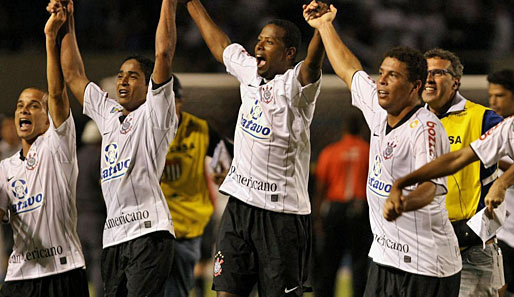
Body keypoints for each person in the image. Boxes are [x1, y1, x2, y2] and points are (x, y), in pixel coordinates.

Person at [304, 2, 461, 296]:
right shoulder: (377, 107)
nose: (382, 81)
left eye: (393, 76)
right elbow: (348, 69)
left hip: (425, 265)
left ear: (415, 86)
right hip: (384, 258)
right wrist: (325, 25)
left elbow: (431, 186)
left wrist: (402, 202)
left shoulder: (426, 129)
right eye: (381, 73)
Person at [183, 0, 326, 296]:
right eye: (259, 40)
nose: (259, 46)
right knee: (226, 291)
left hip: (282, 214)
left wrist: (321, 29)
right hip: (240, 206)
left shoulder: (296, 87)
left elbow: (312, 64)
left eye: (269, 42)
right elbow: (219, 43)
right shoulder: (250, 71)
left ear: (288, 54)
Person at [50, 0, 179, 295]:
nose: (122, 80)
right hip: (113, 238)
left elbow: (163, 53)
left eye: (132, 76)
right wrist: (68, 21)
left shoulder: (155, 114)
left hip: (149, 232)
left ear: (150, 87)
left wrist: (168, 3)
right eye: (121, 74)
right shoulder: (108, 115)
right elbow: (73, 75)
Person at [0, 6, 88, 296]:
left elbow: (58, 92)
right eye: (19, 105)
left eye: (34, 105)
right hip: (20, 275)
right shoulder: (4, 169)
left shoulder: (57, 144)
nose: (24, 109)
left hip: (64, 270)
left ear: (48, 116)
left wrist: (51, 38)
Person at [421, 48, 503, 297]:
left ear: (455, 81)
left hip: (469, 250)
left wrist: (503, 182)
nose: (429, 78)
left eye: (438, 72)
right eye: (425, 72)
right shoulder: (413, 120)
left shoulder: (482, 119)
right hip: (423, 251)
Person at [162, 75, 229, 297]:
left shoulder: (201, 130)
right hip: (158, 221)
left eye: (174, 101)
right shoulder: (145, 128)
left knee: (185, 279)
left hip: (194, 219)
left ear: (181, 101)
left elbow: (227, 156)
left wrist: (226, 171)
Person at [313, 111, 371, 297]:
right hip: (360, 210)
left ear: (344, 129)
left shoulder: (331, 152)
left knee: (329, 263)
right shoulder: (368, 151)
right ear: (361, 129)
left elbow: (321, 188)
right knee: (359, 264)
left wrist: (317, 217)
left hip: (335, 210)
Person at [487, 69, 514, 297]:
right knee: (498, 291)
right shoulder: (492, 133)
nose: (493, 102)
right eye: (491, 95)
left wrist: (503, 178)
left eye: (500, 95)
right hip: (504, 233)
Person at [76, 120, 106, 297]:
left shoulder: (78, 156)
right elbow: (104, 188)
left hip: (79, 218)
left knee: (81, 264)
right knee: (98, 262)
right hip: (96, 217)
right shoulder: (98, 157)